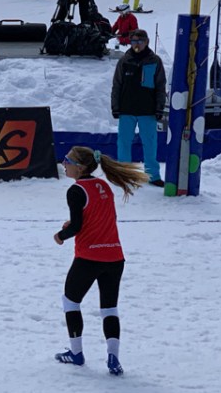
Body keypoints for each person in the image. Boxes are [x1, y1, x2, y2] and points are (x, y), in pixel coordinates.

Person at [53, 145, 148, 375]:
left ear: (80, 167)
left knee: (71, 301)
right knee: (109, 308)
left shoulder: (76, 191)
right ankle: (113, 358)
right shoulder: (103, 185)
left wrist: (61, 235)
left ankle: (76, 354)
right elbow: (99, 217)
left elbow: (77, 226)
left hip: (89, 257)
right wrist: (75, 225)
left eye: (68, 160)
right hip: (115, 257)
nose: (64, 163)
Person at [111, 29, 166, 187]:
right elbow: (117, 85)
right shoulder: (124, 60)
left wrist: (159, 108)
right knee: (124, 143)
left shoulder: (155, 61)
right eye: (133, 41)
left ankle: (153, 175)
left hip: (147, 111)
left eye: (139, 41)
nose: (136, 44)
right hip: (126, 110)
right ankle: (124, 174)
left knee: (150, 144)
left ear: (146, 42)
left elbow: (160, 87)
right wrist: (115, 107)